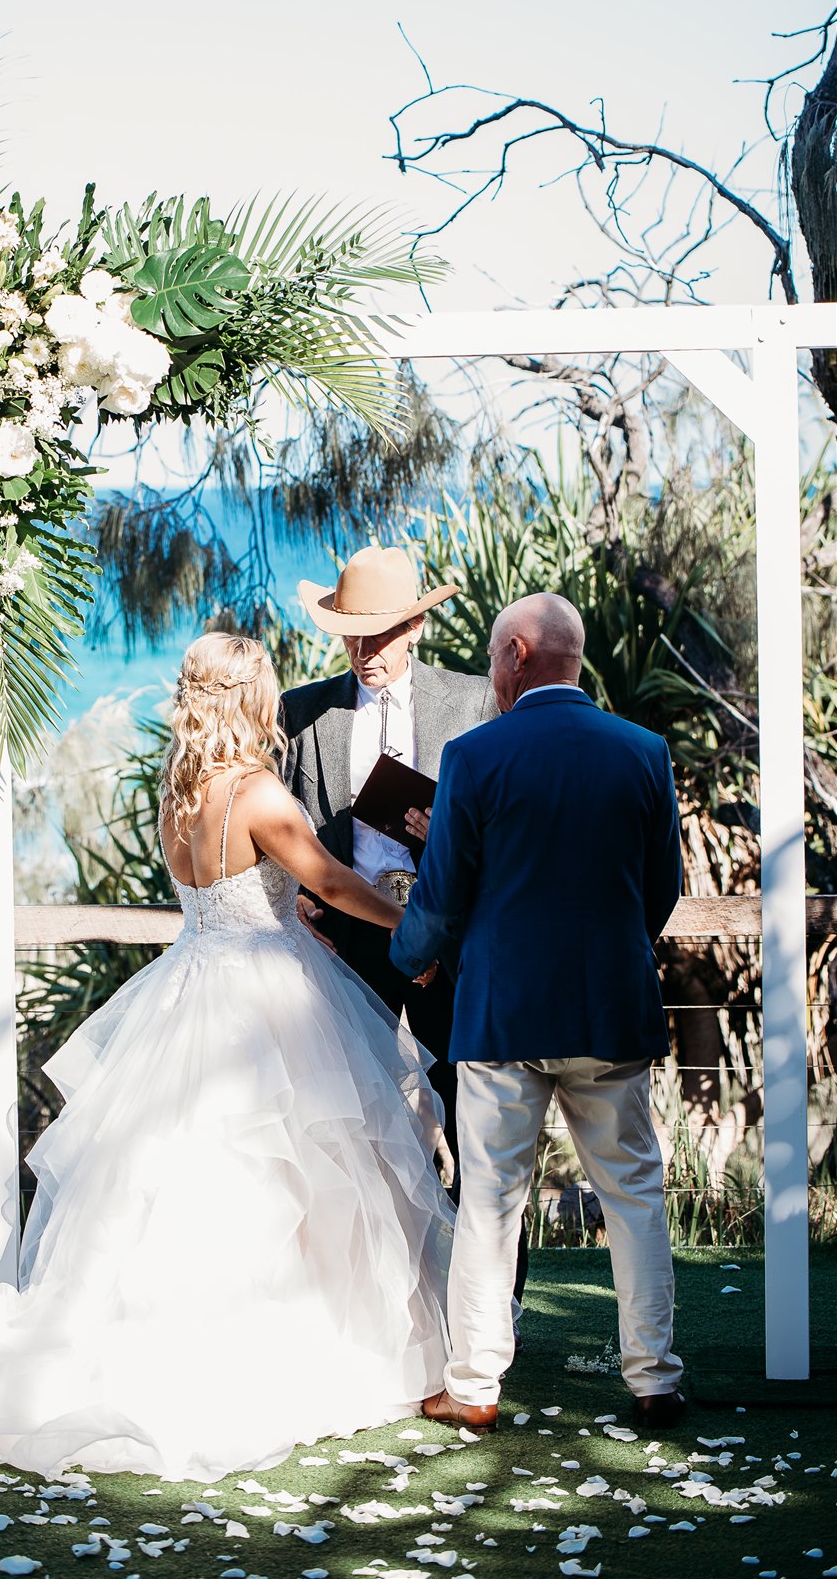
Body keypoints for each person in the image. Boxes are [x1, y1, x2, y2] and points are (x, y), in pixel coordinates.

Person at [0, 633, 455, 1479]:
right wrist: (417, 928)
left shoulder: (179, 793)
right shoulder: (259, 793)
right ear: (248, 699)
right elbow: (331, 884)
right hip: (263, 993)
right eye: (264, 688)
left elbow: (220, 896)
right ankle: (288, 1344)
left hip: (191, 982)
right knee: (292, 1169)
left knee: (194, 1179)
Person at [391, 592, 686, 1430]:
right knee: (633, 1192)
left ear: (517, 653)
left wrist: (404, 957)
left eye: (492, 656)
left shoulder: (474, 756)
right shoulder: (643, 752)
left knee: (490, 1201)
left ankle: (474, 1388)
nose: (490, 671)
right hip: (607, 1010)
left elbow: (442, 897)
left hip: (503, 1016)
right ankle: (654, 1380)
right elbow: (657, 889)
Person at [282, 545, 497, 1181]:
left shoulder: (474, 704)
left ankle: (492, 1284)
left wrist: (445, 837)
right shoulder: (303, 712)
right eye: (351, 636)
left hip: (449, 948)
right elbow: (277, 823)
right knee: (348, 1122)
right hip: (345, 948)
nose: (362, 651)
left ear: (414, 628)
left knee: (472, 1120)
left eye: (377, 636)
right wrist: (294, 895)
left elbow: (503, 832)